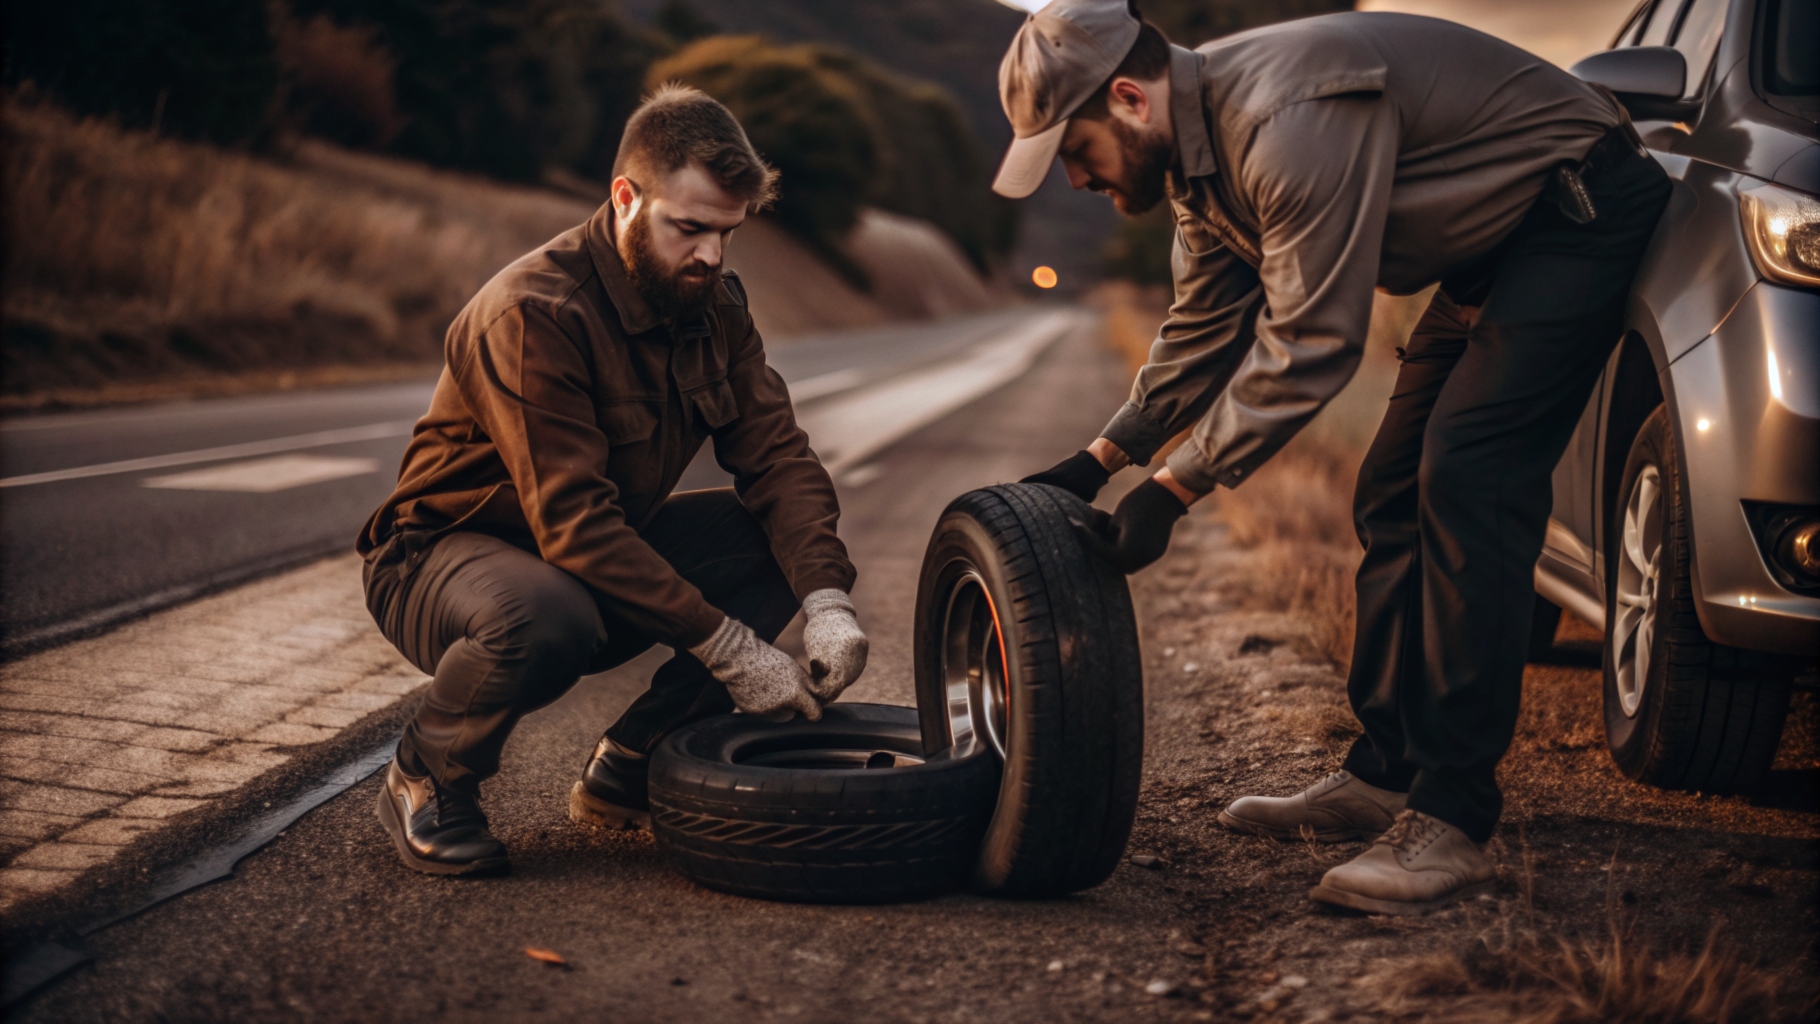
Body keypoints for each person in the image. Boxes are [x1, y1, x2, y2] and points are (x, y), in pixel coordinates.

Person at [998, 1, 1670, 914]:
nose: (1073, 179)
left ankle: (1454, 817)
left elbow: (1313, 339)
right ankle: (1385, 774)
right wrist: (1102, 456)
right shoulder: (1198, 171)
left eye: (1075, 151)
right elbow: (1202, 330)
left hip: (1575, 213)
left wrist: (1175, 488)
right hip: (1489, 250)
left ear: (1127, 98)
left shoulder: (1287, 117)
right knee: (1391, 490)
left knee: (1469, 474)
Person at [358, 85, 868, 876]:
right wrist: (730, 649)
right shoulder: (533, 314)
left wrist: (827, 599)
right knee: (545, 614)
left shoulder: (713, 303)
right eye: (689, 229)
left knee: (777, 545)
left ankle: (630, 765)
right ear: (626, 198)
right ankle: (428, 775)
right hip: (445, 560)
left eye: (726, 235)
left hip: (588, 556)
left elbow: (777, 456)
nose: (710, 255)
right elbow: (573, 522)